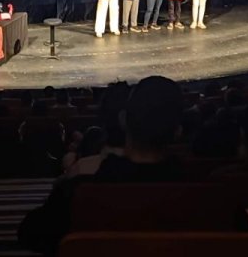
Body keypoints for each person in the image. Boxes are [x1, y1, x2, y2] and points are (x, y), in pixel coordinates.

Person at [18, 76, 187, 254]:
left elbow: (30, 235)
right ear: (178, 132)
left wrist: (66, 177)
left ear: (123, 120)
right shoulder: (200, 193)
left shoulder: (77, 191)